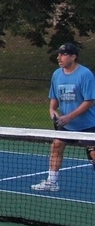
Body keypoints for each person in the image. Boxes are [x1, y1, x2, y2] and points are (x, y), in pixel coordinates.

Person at [33, 43, 95, 192]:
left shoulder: (85, 75)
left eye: (63, 54)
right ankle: (52, 182)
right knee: (56, 146)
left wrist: (69, 117)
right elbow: (54, 97)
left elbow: (90, 101)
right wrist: (52, 110)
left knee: (93, 153)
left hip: (89, 124)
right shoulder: (57, 74)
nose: (59, 58)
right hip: (67, 125)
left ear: (73, 57)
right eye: (59, 54)